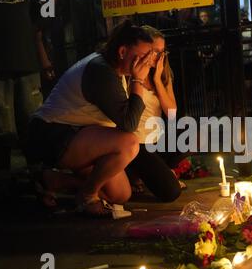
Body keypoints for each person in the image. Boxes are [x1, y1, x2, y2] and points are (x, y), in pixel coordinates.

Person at [27, 20, 154, 216]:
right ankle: (87, 196)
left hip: (79, 136)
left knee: (120, 195)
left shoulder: (116, 69)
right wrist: (138, 80)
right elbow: (129, 124)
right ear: (122, 52)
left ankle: (55, 180)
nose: (148, 63)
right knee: (129, 143)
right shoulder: (101, 70)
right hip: (52, 134)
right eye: (143, 57)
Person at [0, 0, 46, 192]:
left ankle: (39, 172)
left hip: (27, 65)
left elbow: (44, 20)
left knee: (32, 120)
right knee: (0, 124)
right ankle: (2, 175)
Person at [126, 25, 185, 202]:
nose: (158, 57)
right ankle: (136, 173)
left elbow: (172, 113)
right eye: (154, 51)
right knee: (171, 193)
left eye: (162, 52)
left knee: (190, 133)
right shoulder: (131, 73)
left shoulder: (163, 74)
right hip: (137, 142)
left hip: (156, 140)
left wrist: (158, 80)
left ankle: (161, 171)